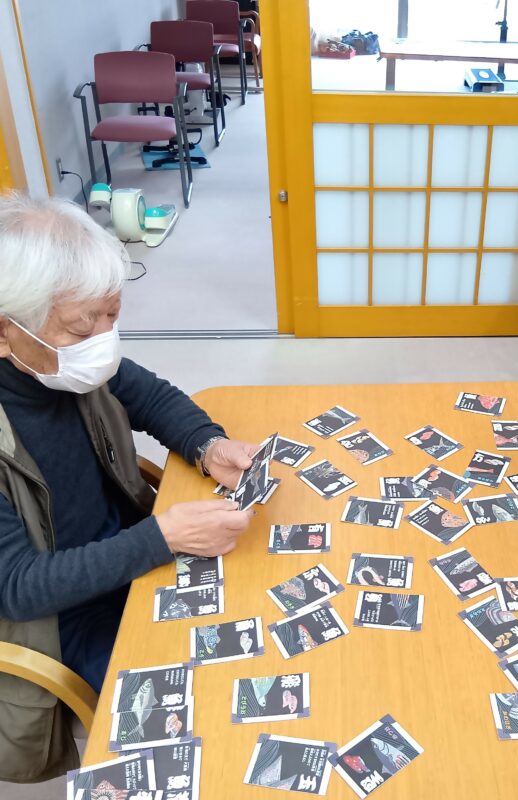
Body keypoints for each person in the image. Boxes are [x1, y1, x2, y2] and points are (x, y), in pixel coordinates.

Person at [0, 194, 260, 782]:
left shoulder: (60, 358)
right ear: (4, 334)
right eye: (80, 325)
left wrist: (208, 444)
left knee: (267, 606)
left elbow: (146, 394)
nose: (102, 339)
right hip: (61, 621)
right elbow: (17, 589)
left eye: (111, 314)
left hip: (129, 556)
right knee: (217, 723)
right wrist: (164, 537)